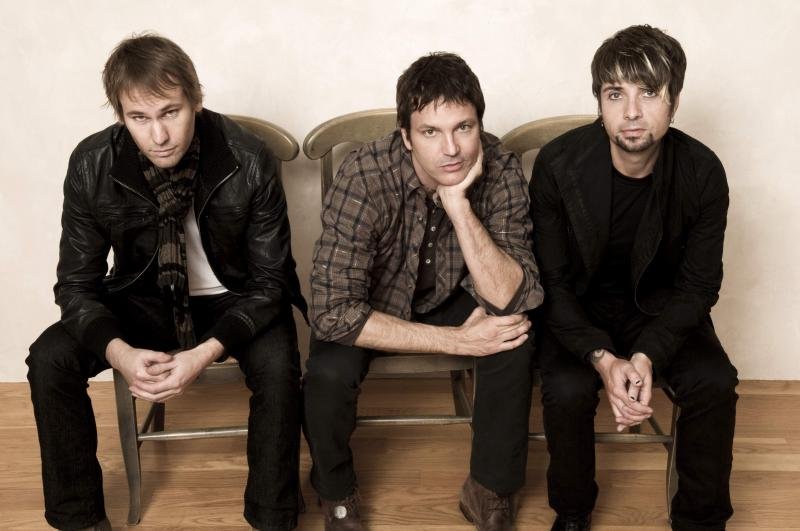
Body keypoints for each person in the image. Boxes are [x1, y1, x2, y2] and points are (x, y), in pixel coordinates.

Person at [26, 33, 307, 531]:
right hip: (142, 298)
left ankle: (273, 517)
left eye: (170, 112)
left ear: (196, 99)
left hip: (235, 299)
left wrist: (203, 353)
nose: (158, 135)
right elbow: (75, 285)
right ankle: (79, 520)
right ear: (120, 116)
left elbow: (270, 283)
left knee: (279, 363)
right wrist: (119, 352)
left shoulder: (248, 156)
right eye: (139, 118)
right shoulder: (92, 163)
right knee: (49, 358)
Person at [304, 51, 544, 531]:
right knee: (327, 373)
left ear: (479, 126)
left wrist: (458, 205)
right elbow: (332, 312)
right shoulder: (364, 175)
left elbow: (514, 296)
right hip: (374, 303)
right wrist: (457, 342)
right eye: (431, 132)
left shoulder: (500, 167)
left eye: (464, 128)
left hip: (455, 296)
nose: (451, 149)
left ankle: (489, 490)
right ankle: (336, 492)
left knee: (513, 334)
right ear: (406, 137)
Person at [530, 24, 738, 531]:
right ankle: (572, 513)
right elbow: (551, 282)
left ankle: (701, 521)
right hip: (578, 310)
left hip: (662, 311)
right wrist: (602, 357)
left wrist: (646, 355)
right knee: (566, 387)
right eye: (614, 94)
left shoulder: (703, 172)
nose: (631, 112)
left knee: (714, 380)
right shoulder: (557, 164)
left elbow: (698, 287)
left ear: (674, 102)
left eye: (648, 93)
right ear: (599, 102)